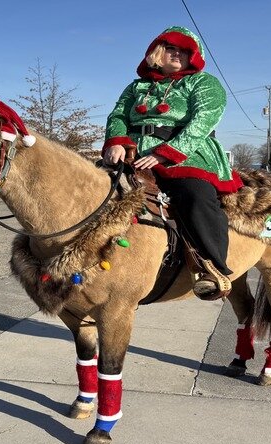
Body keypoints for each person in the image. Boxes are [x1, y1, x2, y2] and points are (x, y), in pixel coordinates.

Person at [102, 26, 243, 300]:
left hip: (186, 153)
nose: (177, 54)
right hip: (133, 153)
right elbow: (117, 115)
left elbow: (203, 121)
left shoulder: (203, 83)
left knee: (195, 195)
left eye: (184, 50)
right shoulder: (136, 86)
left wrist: (166, 153)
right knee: (91, 188)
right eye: (171, 48)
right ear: (157, 52)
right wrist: (116, 141)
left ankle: (211, 267)